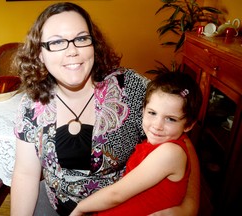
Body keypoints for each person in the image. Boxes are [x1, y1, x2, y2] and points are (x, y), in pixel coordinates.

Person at [10, 2, 200, 216]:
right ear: (40, 54)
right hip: (57, 206)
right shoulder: (31, 105)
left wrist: (189, 206)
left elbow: (180, 139)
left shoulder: (130, 88)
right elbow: (25, 173)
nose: (72, 51)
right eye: (56, 42)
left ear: (94, 44)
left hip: (124, 209)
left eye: (81, 38)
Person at [70, 72, 203, 216]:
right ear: (143, 110)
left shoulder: (170, 152)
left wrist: (80, 208)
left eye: (171, 119)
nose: (157, 125)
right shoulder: (155, 144)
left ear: (188, 125)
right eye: (152, 113)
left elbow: (116, 194)